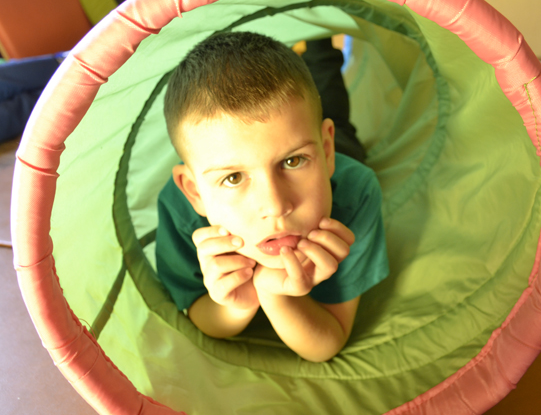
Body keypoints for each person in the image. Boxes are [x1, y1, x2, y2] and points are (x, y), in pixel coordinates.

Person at [156, 31, 389, 362]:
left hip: (342, 152)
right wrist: (239, 304)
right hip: (306, 139)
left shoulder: (357, 193)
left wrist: (276, 295)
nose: (276, 206)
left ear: (325, 152)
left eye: (293, 162)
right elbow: (197, 311)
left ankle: (318, 39)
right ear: (194, 191)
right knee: (321, 103)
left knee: (331, 97)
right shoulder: (180, 212)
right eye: (233, 178)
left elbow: (328, 341)